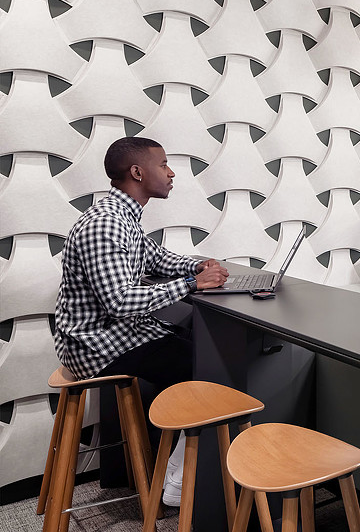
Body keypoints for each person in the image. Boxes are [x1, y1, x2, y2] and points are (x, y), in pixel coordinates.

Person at [54, 136, 229, 506]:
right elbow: (119, 302)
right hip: (96, 345)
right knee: (213, 371)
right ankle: (179, 486)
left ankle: (180, 473)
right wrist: (192, 284)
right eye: (163, 164)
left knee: (199, 354)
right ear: (137, 172)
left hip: (116, 335)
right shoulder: (106, 224)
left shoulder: (125, 218)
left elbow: (156, 258)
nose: (171, 172)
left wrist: (197, 265)